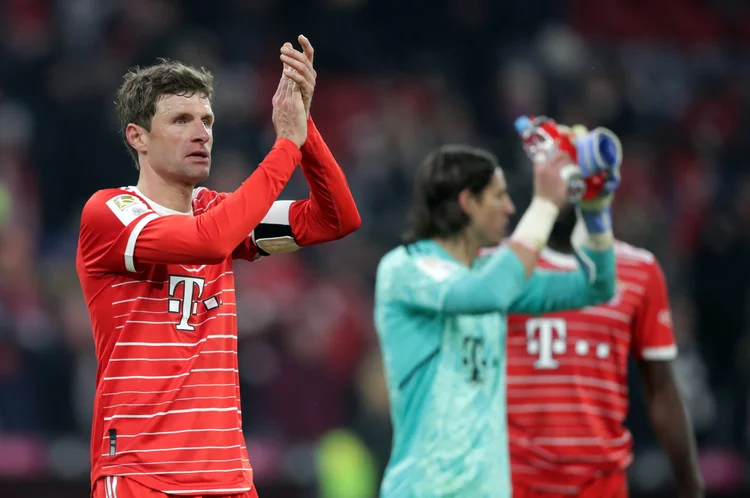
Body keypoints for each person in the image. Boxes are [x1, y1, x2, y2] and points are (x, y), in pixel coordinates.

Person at [76, 36, 361, 498]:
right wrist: (285, 146)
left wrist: (304, 130)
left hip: (228, 477)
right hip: (143, 474)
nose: (201, 132)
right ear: (138, 136)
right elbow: (209, 242)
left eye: (207, 120)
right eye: (181, 120)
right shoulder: (112, 213)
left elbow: (336, 218)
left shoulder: (220, 212)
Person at [373, 136, 621, 497]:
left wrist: (596, 211)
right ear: (467, 202)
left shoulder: (489, 272)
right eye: (498, 196)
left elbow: (596, 287)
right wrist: (545, 205)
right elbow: (484, 294)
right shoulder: (406, 268)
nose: (510, 208)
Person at [506, 128, 704, 498]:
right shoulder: (500, 269)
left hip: (600, 486)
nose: (571, 189)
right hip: (511, 482)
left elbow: (660, 387)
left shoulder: (639, 271)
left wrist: (691, 486)